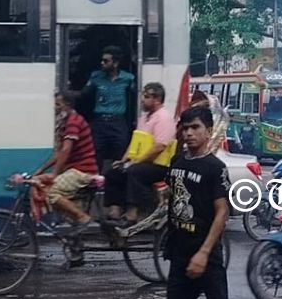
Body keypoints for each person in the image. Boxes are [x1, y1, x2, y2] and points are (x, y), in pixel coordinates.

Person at [164, 106, 230, 299]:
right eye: (185, 128)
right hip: (180, 249)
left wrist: (204, 252)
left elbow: (221, 212)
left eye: (195, 128)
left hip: (206, 251)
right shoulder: (178, 162)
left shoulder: (215, 168)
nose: (189, 133)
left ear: (208, 130)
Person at [29, 91, 98, 233]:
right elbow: (59, 153)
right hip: (75, 169)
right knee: (36, 181)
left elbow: (66, 150)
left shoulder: (73, 122)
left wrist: (54, 173)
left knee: (51, 192)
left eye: (58, 104)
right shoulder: (66, 122)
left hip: (83, 171)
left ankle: (82, 217)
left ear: (68, 105)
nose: (55, 107)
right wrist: (40, 171)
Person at [112, 82, 177, 224]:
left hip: (161, 166)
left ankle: (133, 213)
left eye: (146, 97)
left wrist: (137, 162)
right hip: (144, 162)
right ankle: (115, 211)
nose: (142, 100)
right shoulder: (144, 118)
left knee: (134, 171)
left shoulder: (163, 118)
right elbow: (135, 143)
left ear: (157, 99)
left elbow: (159, 147)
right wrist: (123, 161)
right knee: (115, 171)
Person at [80, 48, 136, 180]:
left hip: (118, 122)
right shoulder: (96, 76)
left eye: (106, 61)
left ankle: (117, 186)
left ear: (115, 63)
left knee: (120, 153)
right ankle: (96, 185)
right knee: (96, 154)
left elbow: (136, 96)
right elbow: (84, 94)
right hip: (100, 122)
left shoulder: (128, 78)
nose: (102, 63)